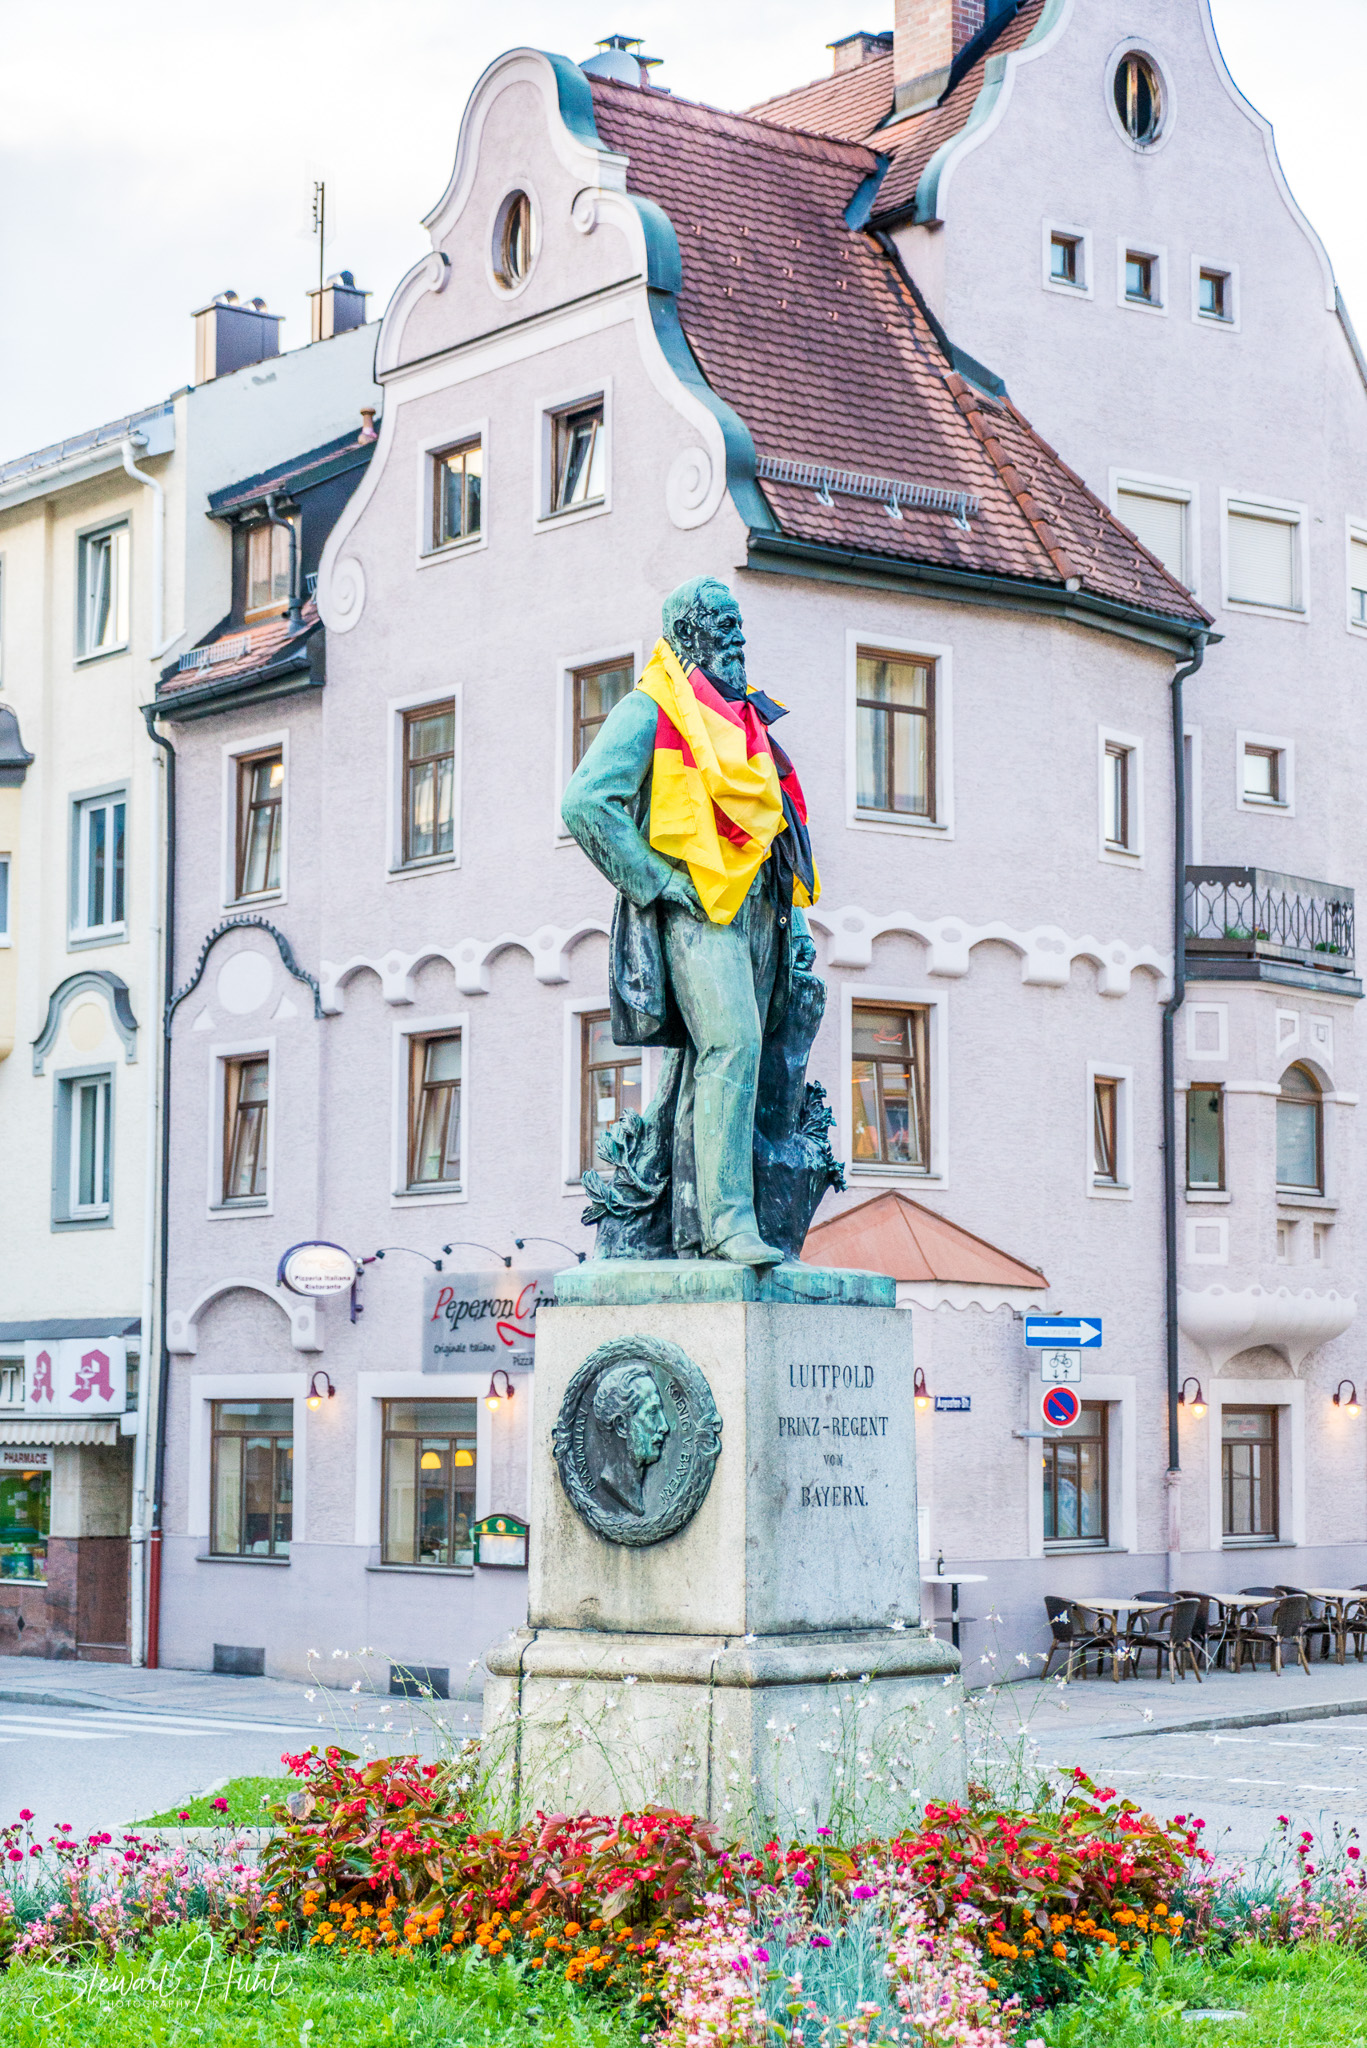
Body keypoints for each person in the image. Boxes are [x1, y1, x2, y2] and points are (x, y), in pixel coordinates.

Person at [562, 577, 818, 1268]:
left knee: (710, 1067)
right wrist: (663, 882)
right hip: (697, 908)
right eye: (722, 625)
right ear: (685, 637)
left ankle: (690, 1226)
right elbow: (585, 802)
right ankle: (729, 1226)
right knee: (731, 1046)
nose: (738, 637)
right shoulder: (650, 708)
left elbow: (773, 834)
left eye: (739, 625)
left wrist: (794, 925)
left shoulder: (744, 721)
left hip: (758, 909)